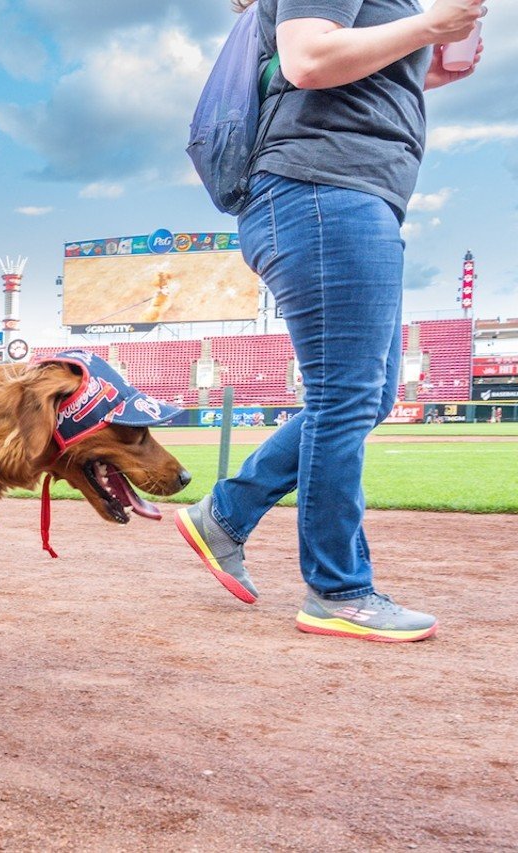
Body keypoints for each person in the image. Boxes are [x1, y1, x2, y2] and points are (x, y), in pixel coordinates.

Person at [176, 0, 486, 642]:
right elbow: (310, 59)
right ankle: (337, 590)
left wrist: (428, 65)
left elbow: (340, 66)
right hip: (321, 192)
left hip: (345, 195)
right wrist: (429, 28)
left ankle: (226, 515)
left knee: (367, 398)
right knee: (344, 398)